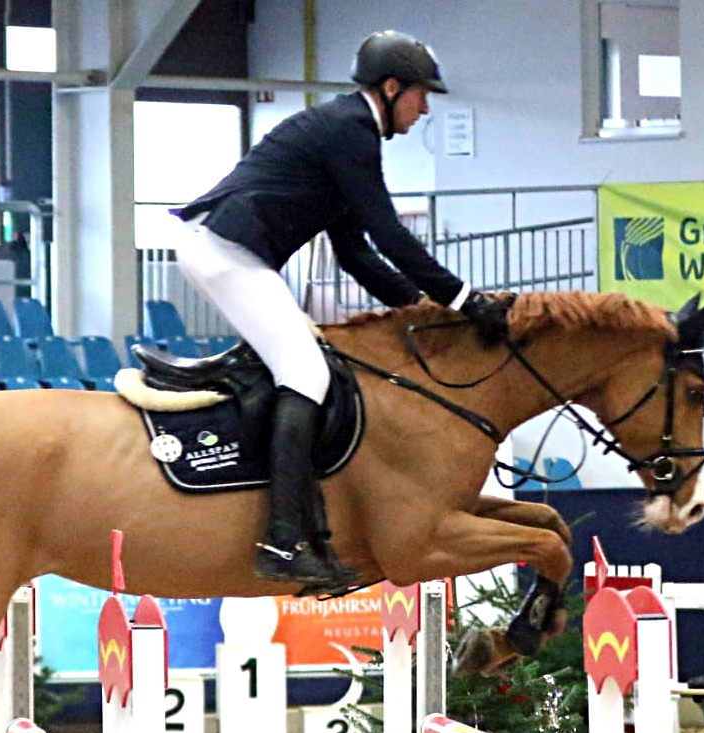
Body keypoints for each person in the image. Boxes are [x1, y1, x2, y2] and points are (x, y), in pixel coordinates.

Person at [171, 29, 510, 593]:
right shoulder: (350, 131)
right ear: (392, 87)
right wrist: (464, 300)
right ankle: (283, 541)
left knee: (308, 368)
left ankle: (298, 529)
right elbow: (389, 234)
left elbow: (355, 252)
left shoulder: (346, 131)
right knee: (305, 372)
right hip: (224, 250)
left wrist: (421, 310)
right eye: (421, 95)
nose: (425, 109)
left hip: (230, 250)